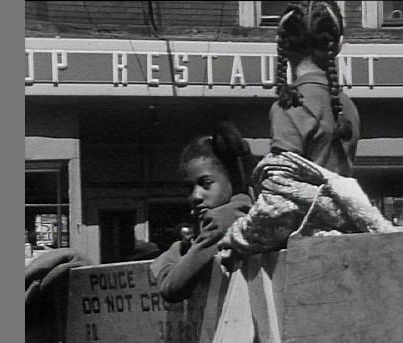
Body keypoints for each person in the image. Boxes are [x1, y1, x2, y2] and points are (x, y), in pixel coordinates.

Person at [150, 122, 255, 303]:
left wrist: (173, 252)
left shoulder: (224, 219)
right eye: (190, 187)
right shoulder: (250, 210)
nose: (196, 196)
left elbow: (171, 288)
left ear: (232, 179)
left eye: (206, 183)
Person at [270, 0, 360, 177]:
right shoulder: (347, 106)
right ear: (339, 44)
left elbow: (281, 187)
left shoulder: (292, 105)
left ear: (281, 44)